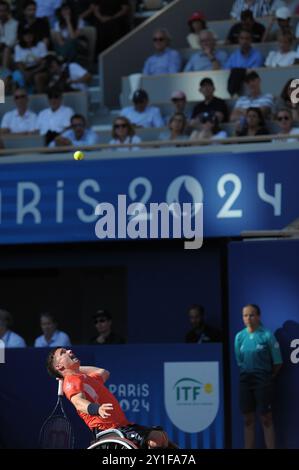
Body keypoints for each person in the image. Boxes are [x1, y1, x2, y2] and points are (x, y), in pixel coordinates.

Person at [46, 347, 175, 448]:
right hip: (108, 430)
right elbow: (78, 403)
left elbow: (104, 372)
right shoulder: (71, 381)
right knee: (156, 440)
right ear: (59, 366)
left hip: (123, 426)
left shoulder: (84, 378)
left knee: (163, 439)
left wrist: (75, 369)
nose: (69, 351)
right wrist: (97, 409)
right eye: (63, 352)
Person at [234, 304, 283, 449]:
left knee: (266, 418)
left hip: (263, 381)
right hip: (245, 381)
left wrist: (269, 377)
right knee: (248, 420)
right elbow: (239, 360)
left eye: (251, 315)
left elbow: (278, 362)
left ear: (258, 316)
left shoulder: (267, 335)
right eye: (245, 315)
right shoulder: (239, 337)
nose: (248, 318)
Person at [13, 29, 48, 93]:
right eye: (26, 35)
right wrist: (25, 73)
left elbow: (44, 64)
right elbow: (19, 63)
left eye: (30, 34)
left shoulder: (41, 45)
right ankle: (21, 97)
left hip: (39, 70)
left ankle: (39, 97)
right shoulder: (17, 47)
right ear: (22, 37)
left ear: (34, 35)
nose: (28, 36)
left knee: (37, 77)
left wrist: (31, 73)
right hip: (25, 70)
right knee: (18, 76)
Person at [0, 0, 18, 69]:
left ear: (8, 12)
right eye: (0, 11)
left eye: (3, 11)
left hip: (11, 52)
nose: (1, 13)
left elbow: (12, 41)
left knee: (7, 49)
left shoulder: (15, 24)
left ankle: (5, 75)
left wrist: (2, 43)